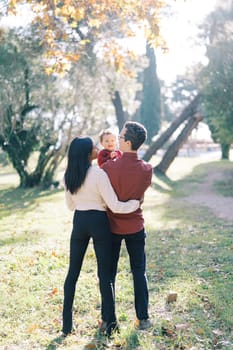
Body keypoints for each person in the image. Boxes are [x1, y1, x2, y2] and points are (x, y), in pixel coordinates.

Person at [62, 136, 140, 337]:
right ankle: (111, 323)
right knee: (105, 275)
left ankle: (66, 325)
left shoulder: (68, 175)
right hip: (99, 222)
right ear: (89, 154)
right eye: (94, 147)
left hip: (79, 222)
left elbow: (71, 206)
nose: (98, 148)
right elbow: (114, 205)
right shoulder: (98, 173)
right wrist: (135, 203)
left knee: (73, 273)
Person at [102, 121, 153, 330]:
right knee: (139, 271)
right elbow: (139, 197)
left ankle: (108, 320)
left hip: (111, 227)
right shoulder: (146, 170)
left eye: (120, 137)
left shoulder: (108, 168)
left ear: (128, 142)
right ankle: (143, 318)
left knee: (108, 274)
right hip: (135, 226)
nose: (117, 140)